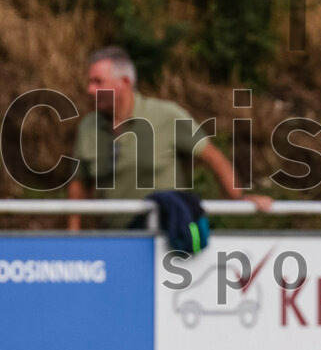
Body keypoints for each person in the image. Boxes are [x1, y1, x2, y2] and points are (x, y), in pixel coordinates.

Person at [67, 46, 272, 229]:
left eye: (98, 82)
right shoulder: (88, 126)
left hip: (164, 242)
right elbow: (79, 185)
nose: (90, 90)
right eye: (90, 82)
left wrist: (238, 197)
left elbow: (213, 158)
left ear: (125, 82)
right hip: (114, 241)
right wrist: (73, 238)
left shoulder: (167, 115)